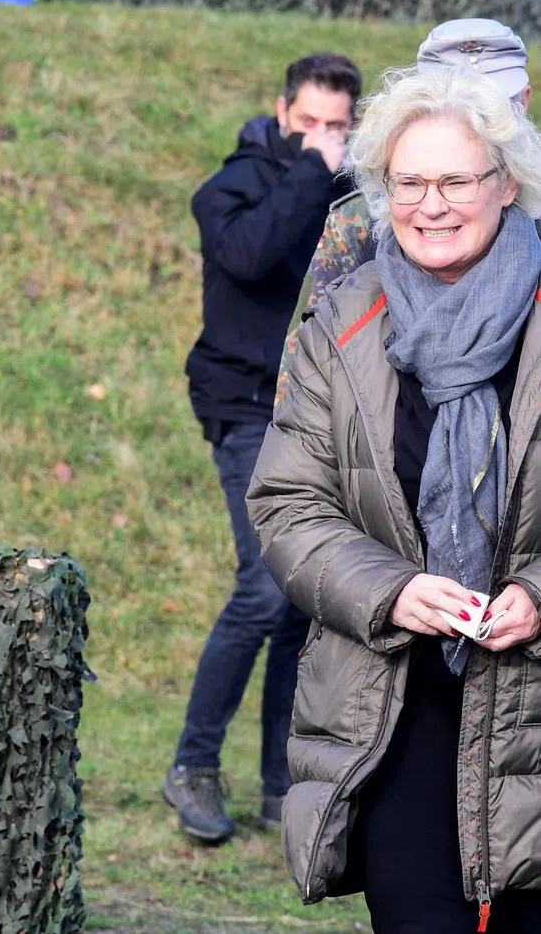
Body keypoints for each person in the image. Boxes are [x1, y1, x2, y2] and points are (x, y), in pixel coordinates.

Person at [247, 63, 541, 933]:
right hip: (394, 709)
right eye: (408, 183)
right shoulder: (341, 323)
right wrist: (393, 591)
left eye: (455, 181)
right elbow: (288, 504)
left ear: (507, 184)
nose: (430, 205)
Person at [166, 53, 362, 842]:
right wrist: (314, 169)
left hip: (318, 410)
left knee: (299, 600)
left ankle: (283, 785)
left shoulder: (354, 195)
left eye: (338, 126)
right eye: (310, 122)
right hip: (244, 405)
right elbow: (249, 254)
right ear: (282, 113)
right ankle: (193, 764)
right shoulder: (232, 187)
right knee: (263, 590)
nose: (324, 137)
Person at [276, 18, 532, 405]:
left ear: (524, 100)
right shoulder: (361, 219)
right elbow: (303, 375)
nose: (475, 120)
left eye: (498, 105)